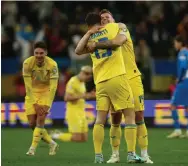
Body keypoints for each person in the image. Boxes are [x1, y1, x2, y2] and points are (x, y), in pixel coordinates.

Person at [75, 12, 144, 163]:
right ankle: (131, 154)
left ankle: (98, 156)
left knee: (100, 120)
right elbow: (118, 42)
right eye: (103, 18)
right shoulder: (115, 27)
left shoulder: (92, 37)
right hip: (117, 78)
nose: (105, 20)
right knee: (130, 115)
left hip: (100, 83)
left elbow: (78, 51)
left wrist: (89, 33)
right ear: (100, 22)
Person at [23, 41, 59, 156]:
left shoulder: (52, 64)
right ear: (33, 53)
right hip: (32, 93)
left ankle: (32, 149)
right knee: (32, 124)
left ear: (46, 53)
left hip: (46, 93)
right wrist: (34, 103)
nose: (39, 55)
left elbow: (53, 87)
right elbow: (27, 86)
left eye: (41, 53)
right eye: (36, 53)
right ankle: (52, 143)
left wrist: (48, 104)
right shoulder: (27, 63)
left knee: (40, 120)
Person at [51, 66, 95, 142]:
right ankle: (55, 135)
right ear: (83, 73)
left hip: (81, 111)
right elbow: (67, 98)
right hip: (73, 111)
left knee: (84, 138)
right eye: (88, 77)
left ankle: (57, 134)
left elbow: (81, 96)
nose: (88, 79)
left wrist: (90, 95)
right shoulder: (73, 81)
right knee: (77, 138)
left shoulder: (82, 83)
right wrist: (83, 95)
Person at [166, 35, 188, 139]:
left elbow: (183, 66)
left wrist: (179, 78)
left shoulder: (182, 53)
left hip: (183, 83)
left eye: (175, 43)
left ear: (180, 43)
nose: (174, 45)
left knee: (172, 105)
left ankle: (177, 130)